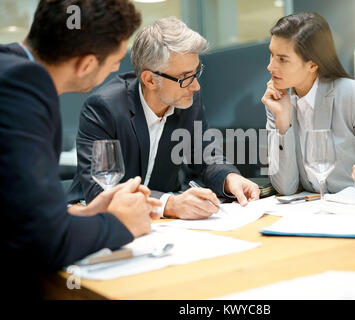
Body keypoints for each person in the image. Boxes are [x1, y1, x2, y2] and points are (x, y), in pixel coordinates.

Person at [0, 0, 161, 299]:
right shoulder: (22, 85)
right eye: (115, 63)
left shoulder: (9, 66)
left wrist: (88, 214)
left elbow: (17, 217)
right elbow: (43, 242)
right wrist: (120, 223)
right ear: (86, 63)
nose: (117, 71)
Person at [67, 17, 260, 220]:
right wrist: (168, 204)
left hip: (161, 224)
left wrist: (230, 178)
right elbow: (102, 192)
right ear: (150, 80)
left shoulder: (187, 99)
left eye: (196, 73)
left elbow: (204, 154)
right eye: (185, 77)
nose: (196, 86)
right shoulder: (104, 108)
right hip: (92, 219)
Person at [262, 12, 355, 200]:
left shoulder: (354, 95)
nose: (270, 66)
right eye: (271, 55)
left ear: (313, 65)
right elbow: (286, 187)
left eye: (282, 59)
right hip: (312, 214)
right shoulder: (277, 102)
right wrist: (282, 121)